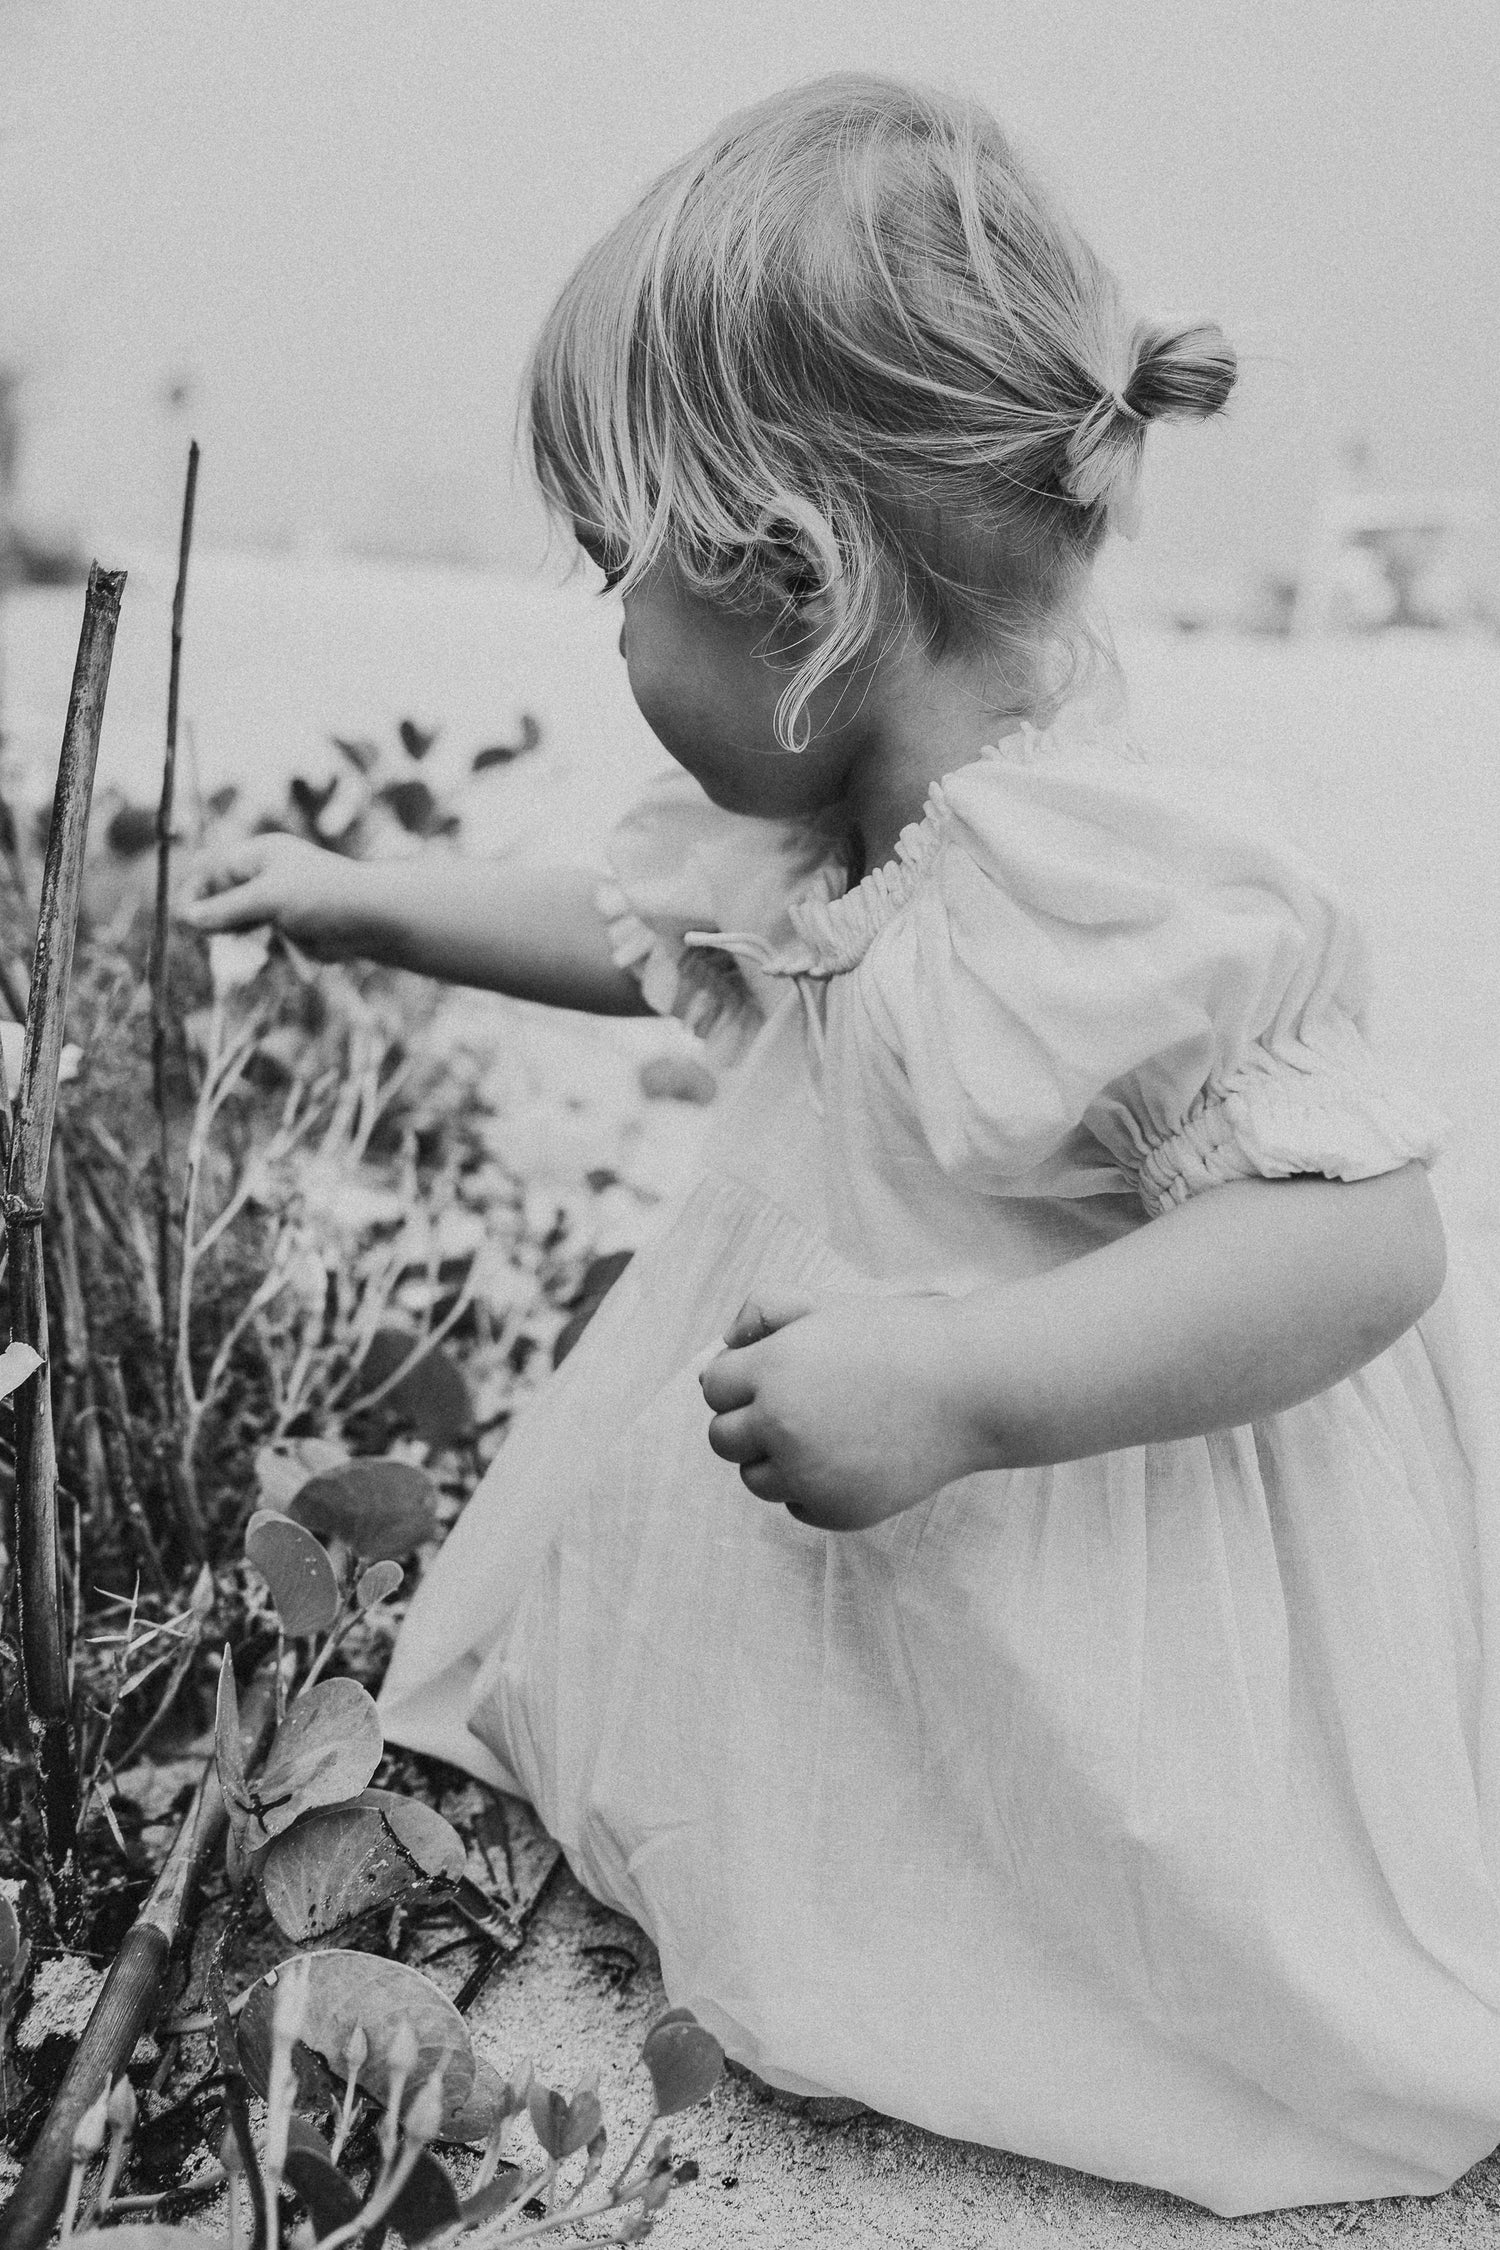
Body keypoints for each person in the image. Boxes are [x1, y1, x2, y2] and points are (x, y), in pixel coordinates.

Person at [185, 75, 1500, 2218]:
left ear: (790, 580)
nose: (604, 626)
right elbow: (644, 933)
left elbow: (1361, 1251)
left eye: (619, 571)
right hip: (883, 1443)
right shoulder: (824, 829)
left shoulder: (1103, 884)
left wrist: (970, 1387)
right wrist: (363, 893)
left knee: (1085, 1912)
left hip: (1097, 1476)